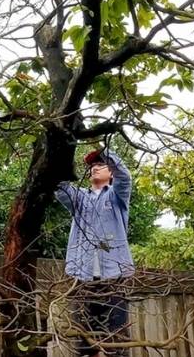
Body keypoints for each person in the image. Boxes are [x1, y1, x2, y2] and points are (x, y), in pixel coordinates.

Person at [55, 148, 134, 357]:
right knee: (83, 343)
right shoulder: (79, 198)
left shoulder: (118, 196)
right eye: (91, 166)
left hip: (114, 278)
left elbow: (124, 176)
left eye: (101, 164)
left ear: (111, 172)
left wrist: (103, 150)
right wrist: (62, 152)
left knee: (116, 341)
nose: (95, 167)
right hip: (82, 278)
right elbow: (59, 186)